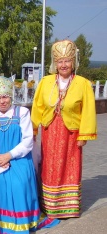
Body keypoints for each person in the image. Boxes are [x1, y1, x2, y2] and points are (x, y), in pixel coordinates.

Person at [0, 76, 59, 234]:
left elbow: (28, 141)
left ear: (11, 96)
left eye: (5, 97)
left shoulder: (22, 112)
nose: (2, 101)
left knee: (18, 183)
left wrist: (9, 155)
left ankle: (19, 223)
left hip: (18, 158)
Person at [31, 39, 97, 219]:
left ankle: (68, 207)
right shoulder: (46, 82)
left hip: (71, 133)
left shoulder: (83, 83)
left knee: (70, 166)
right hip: (50, 131)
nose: (63, 65)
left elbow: (88, 110)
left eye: (67, 61)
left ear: (73, 62)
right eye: (60, 61)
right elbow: (38, 107)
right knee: (49, 165)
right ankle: (49, 205)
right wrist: (33, 129)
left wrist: (84, 135)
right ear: (55, 63)